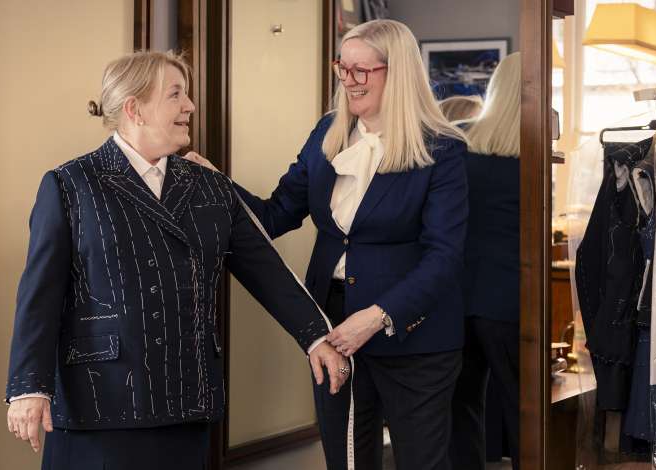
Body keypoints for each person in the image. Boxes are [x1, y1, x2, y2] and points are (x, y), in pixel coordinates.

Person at [4, 50, 348, 470]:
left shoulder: (210, 187)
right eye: (176, 94)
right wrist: (28, 387)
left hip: (184, 396)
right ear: (136, 108)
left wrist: (316, 336)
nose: (190, 106)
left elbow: (266, 270)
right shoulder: (71, 184)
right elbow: (39, 295)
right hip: (99, 402)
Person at [186, 18, 469, 470]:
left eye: (362, 71)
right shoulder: (327, 133)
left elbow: (445, 257)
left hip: (413, 338)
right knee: (347, 460)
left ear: (397, 73)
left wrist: (377, 319)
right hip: (332, 326)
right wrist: (216, 183)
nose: (350, 82)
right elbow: (275, 215)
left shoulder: (443, 150)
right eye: (343, 69)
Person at [448, 52, 521, 470]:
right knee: (522, 408)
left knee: (463, 407)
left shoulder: (458, 141)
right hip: (510, 299)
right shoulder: (530, 151)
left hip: (456, 294)